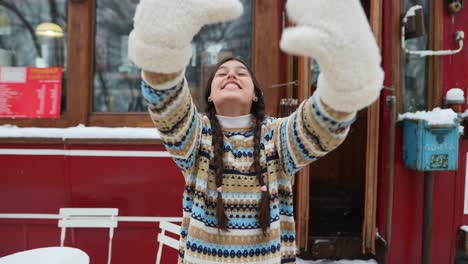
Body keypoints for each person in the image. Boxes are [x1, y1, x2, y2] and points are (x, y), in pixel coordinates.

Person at [128, 0, 384, 263]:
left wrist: (346, 79)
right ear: (211, 97)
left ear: (254, 95)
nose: (231, 75)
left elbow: (323, 125)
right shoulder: (196, 137)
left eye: (241, 73)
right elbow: (166, 101)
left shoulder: (277, 138)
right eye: (221, 74)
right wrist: (161, 43)